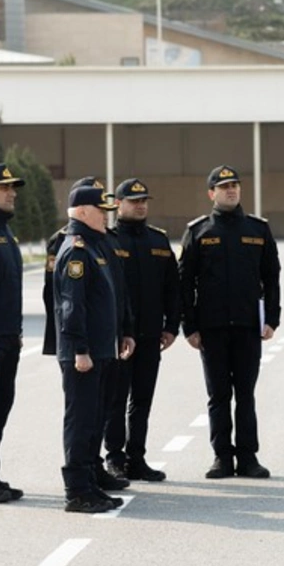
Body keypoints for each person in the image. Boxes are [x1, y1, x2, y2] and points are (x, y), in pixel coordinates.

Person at [180, 165, 281, 480]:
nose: (231, 190)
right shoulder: (199, 231)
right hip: (212, 328)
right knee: (219, 394)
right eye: (223, 187)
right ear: (212, 193)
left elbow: (271, 278)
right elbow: (185, 283)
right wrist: (190, 326)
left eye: (234, 185)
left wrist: (272, 319)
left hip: (249, 326)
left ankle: (248, 457)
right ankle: (222, 457)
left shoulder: (258, 229)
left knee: (246, 393)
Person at [54, 185, 131, 513]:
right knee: (81, 421)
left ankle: (89, 483)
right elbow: (73, 306)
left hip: (101, 350)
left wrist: (120, 334)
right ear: (83, 212)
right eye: (101, 211)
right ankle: (77, 491)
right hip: (84, 354)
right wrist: (80, 350)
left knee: (94, 418)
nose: (105, 216)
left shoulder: (96, 246)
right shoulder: (77, 250)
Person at [104, 178, 180, 483]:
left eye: (144, 201)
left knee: (142, 400)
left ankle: (137, 458)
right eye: (134, 201)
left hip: (150, 335)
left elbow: (173, 288)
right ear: (118, 204)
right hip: (119, 338)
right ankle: (115, 458)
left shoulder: (158, 241)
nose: (140, 206)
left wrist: (172, 326)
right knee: (116, 399)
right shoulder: (109, 240)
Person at [0, 164, 25, 503]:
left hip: (6, 338)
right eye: (4, 188)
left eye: (12, 188)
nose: (12, 192)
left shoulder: (5, 233)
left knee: (1, 408)